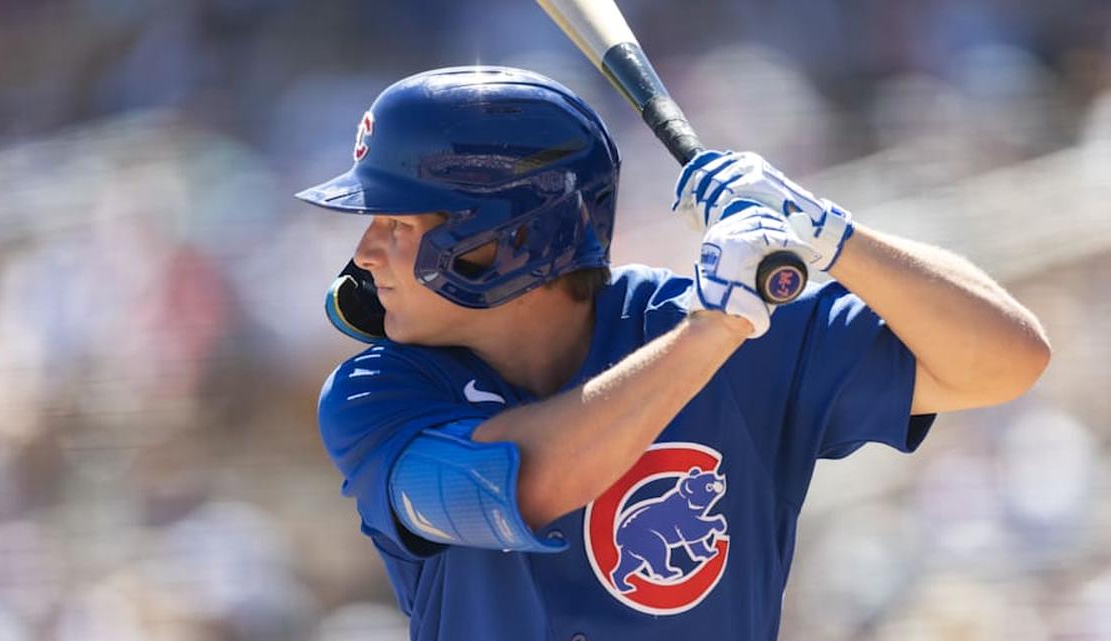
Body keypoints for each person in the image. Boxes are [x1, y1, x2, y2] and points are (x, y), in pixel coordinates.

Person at [296, 66, 1049, 641]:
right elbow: (519, 485)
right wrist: (713, 331)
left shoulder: (730, 322)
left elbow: (1007, 359)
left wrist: (833, 236)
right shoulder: (373, 393)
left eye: (396, 223)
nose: (366, 251)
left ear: (504, 239)